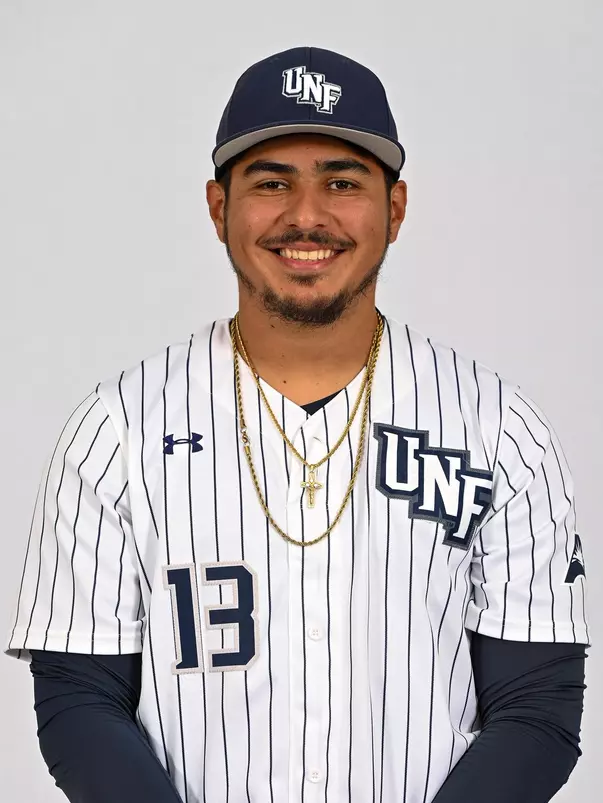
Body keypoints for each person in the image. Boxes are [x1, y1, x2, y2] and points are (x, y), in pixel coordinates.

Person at [5, 46, 590, 803]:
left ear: (395, 207)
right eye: (270, 182)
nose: (305, 216)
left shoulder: (500, 432)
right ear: (219, 208)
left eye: (342, 182)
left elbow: (536, 707)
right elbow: (79, 698)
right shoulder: (114, 432)